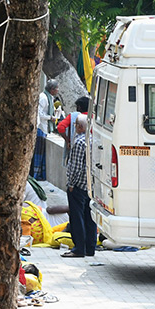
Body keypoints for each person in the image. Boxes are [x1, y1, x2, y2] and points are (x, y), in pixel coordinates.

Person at [63, 98, 97, 259]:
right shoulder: (92, 141)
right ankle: (91, 247)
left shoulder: (79, 142)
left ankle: (79, 248)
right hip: (89, 185)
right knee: (89, 217)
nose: (74, 127)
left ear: (81, 127)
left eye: (76, 125)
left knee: (77, 217)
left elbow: (76, 166)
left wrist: (71, 184)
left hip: (78, 185)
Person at [32, 80, 59, 180]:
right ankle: (36, 175)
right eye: (57, 88)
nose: (58, 90)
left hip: (45, 128)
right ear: (52, 89)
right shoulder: (43, 98)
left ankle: (40, 174)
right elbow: (39, 113)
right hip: (41, 128)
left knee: (42, 154)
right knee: (38, 154)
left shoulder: (49, 98)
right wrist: (50, 117)